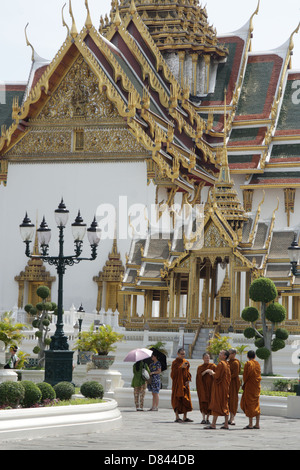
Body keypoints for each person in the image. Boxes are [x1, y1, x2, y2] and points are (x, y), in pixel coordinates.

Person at [205, 349, 231, 429]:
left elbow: (217, 376)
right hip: (225, 387)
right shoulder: (227, 364)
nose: (219, 354)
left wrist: (211, 372)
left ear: (225, 356)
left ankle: (213, 424)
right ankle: (226, 424)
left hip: (219, 387)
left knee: (216, 403)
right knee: (224, 404)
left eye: (221, 353)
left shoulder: (221, 364)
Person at [240, 350, 261, 429]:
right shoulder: (257, 364)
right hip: (256, 387)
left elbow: (245, 376)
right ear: (255, 356)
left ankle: (251, 424)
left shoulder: (248, 364)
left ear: (247, 356)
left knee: (250, 405)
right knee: (256, 404)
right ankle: (257, 424)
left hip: (249, 387)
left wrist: (244, 384)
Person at [171, 348, 193, 423]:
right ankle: (177, 417)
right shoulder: (175, 363)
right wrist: (181, 368)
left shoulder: (186, 362)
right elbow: (173, 374)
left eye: (184, 354)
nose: (183, 355)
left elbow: (188, 373)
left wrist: (188, 380)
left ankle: (185, 417)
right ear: (178, 354)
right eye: (182, 354)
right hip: (177, 384)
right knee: (177, 399)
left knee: (185, 400)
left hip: (184, 384)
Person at [196, 352, 217, 424]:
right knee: (203, 402)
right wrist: (206, 371)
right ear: (203, 359)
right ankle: (203, 418)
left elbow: (216, 376)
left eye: (208, 358)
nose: (207, 359)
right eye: (205, 358)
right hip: (203, 388)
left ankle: (208, 418)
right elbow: (199, 376)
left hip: (211, 387)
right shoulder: (200, 367)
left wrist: (211, 372)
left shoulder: (213, 366)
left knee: (209, 402)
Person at [228, 348, 241, 425]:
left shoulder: (235, 363)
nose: (228, 355)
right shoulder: (228, 362)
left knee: (233, 400)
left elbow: (235, 374)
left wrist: (227, 377)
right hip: (228, 383)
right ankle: (228, 418)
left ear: (233, 354)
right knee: (228, 400)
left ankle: (232, 418)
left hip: (233, 382)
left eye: (229, 354)